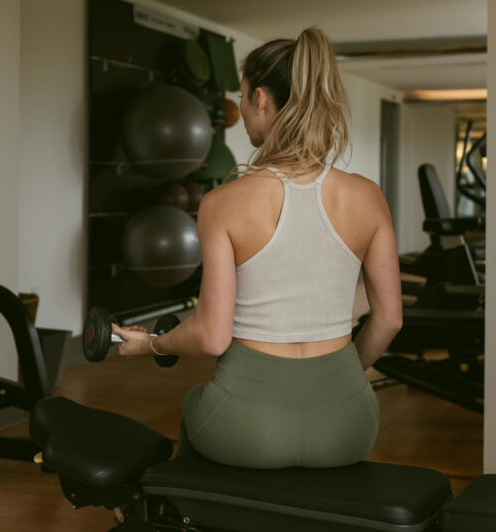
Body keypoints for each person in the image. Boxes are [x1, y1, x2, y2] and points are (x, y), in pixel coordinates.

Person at [113, 27, 403, 469]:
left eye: (244, 97)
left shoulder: (222, 203)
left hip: (247, 425)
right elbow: (389, 320)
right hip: (350, 425)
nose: (244, 110)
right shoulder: (368, 197)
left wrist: (150, 345)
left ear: (262, 100)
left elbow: (212, 337)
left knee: (195, 407)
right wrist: (340, 379)